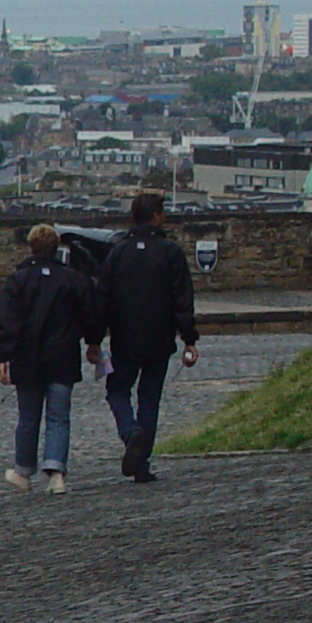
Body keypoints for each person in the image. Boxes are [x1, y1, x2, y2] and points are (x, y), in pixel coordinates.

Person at [87, 190, 200, 483]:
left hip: (124, 338)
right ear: (156, 216)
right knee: (149, 399)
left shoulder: (117, 253)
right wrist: (189, 339)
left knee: (117, 391)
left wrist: (95, 339)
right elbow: (182, 300)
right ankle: (141, 462)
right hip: (160, 338)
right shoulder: (170, 252)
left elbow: (102, 300)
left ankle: (130, 432)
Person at [0, 223, 91, 496]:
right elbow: (90, 313)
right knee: (59, 417)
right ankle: (56, 473)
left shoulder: (18, 280)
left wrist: (3, 356)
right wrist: (93, 342)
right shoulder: (73, 279)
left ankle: (23, 470)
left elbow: (8, 322)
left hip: (28, 357)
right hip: (63, 356)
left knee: (28, 416)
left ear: (31, 247)